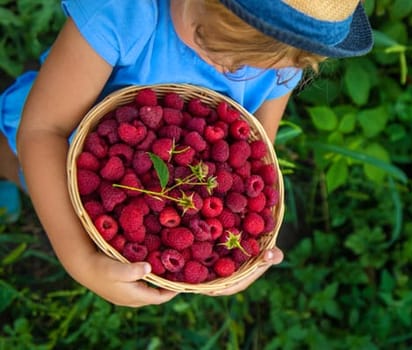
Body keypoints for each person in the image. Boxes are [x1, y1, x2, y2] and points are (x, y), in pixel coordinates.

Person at [0, 0, 371, 307]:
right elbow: (43, 131)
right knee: (29, 168)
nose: (229, 71)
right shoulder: (123, 14)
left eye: (257, 66)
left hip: (125, 172)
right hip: (60, 128)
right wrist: (79, 260)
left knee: (65, 196)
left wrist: (244, 242)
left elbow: (255, 153)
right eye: (213, 45)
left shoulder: (281, 54)